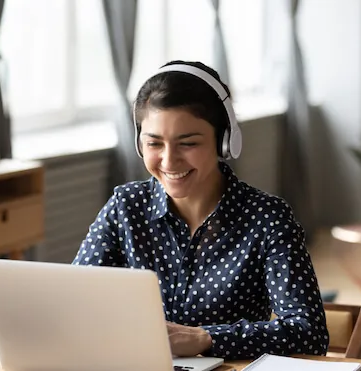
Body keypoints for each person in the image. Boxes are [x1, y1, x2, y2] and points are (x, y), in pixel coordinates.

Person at [72, 60, 329, 360]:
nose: (169, 161)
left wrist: (205, 339)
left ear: (224, 142)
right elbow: (77, 302)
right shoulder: (125, 207)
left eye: (188, 143)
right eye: (154, 143)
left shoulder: (268, 218)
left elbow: (309, 333)